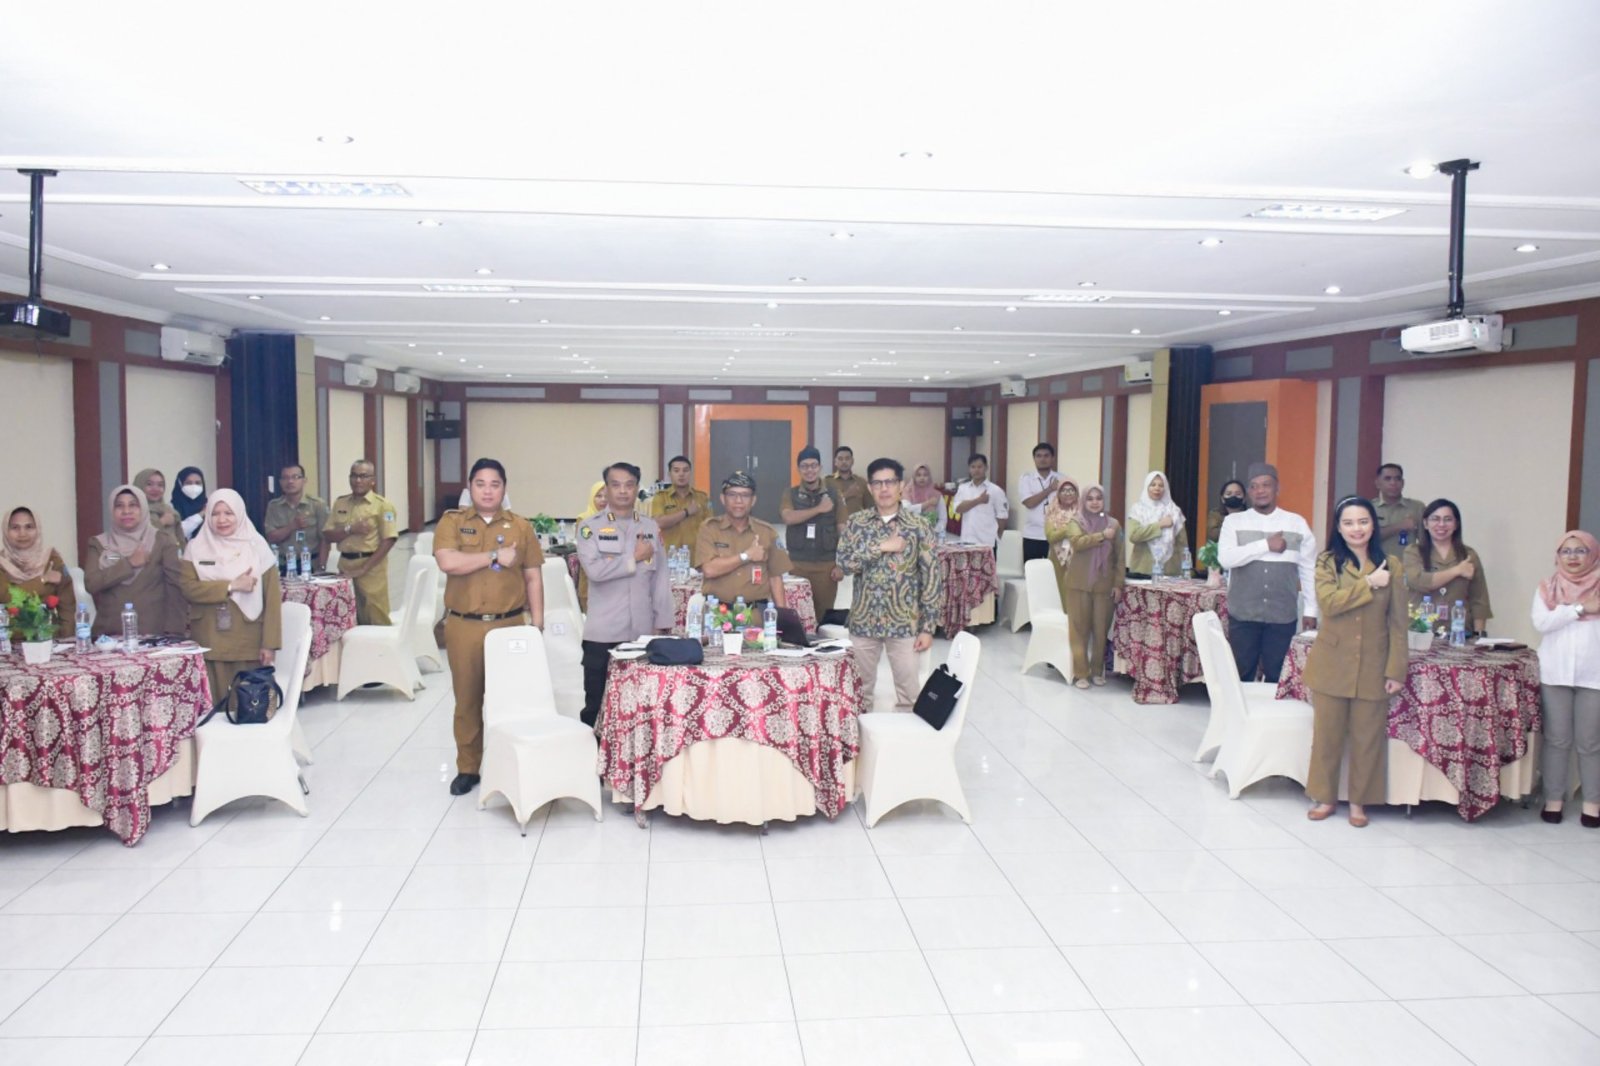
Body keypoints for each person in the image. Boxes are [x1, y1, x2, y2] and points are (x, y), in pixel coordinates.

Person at [433, 458, 544, 794]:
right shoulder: (452, 521)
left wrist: (537, 625)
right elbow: (448, 561)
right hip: (463, 625)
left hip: (509, 625)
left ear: (504, 488)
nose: (487, 491)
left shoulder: (520, 526)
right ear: (470, 488)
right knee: (467, 700)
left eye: (495, 484)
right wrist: (494, 557)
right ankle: (468, 768)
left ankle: (511, 764)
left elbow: (533, 576)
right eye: (480, 484)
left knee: (512, 700)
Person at [1303, 497, 1408, 828]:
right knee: (1327, 736)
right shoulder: (1327, 562)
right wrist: (1368, 584)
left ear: (1373, 525)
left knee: (1368, 738)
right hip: (1332, 661)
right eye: (1348, 523)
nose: (1356, 529)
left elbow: (1398, 623)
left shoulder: (1392, 565)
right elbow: (1329, 604)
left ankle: (1359, 802)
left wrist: (1396, 670)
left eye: (1363, 521)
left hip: (1374, 663)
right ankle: (1325, 797)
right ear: (1338, 527)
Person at [835, 458, 943, 712]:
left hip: (904, 623)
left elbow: (931, 578)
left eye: (890, 482)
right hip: (864, 620)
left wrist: (928, 628)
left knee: (910, 696)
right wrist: (881, 547)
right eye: (877, 483)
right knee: (858, 695)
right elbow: (844, 564)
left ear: (901, 486)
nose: (884, 489)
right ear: (870, 488)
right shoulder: (857, 523)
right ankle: (859, 737)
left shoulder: (918, 526)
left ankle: (906, 736)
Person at [576, 462, 673, 727]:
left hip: (642, 632)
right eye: (615, 485)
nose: (622, 491)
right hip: (603, 634)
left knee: (641, 707)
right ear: (606, 489)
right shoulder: (589, 527)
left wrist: (663, 622)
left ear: (636, 489)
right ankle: (595, 752)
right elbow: (595, 571)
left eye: (629, 485)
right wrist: (634, 558)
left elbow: (660, 578)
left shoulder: (650, 527)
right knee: (597, 706)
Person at [175, 490, 282, 700]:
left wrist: (269, 644)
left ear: (240, 513)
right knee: (212, 705)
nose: (222, 520)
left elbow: (272, 601)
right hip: (209, 638)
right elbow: (188, 588)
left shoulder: (258, 547)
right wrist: (231, 586)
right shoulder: (195, 548)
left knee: (248, 705)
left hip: (247, 640)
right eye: (215, 513)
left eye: (228, 513)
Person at [1218, 462, 1318, 682]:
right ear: (1249, 492)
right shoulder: (1234, 522)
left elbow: (1308, 568)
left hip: (1282, 615)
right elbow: (1226, 559)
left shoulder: (1296, 523)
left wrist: (1311, 609)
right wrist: (1265, 545)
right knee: (1241, 675)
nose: (1260, 491)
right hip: (1243, 614)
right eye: (1254, 486)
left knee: (1278, 677)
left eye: (1266, 485)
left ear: (1277, 488)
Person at [1532, 530, 1600, 827]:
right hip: (1555, 672)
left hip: (1594, 675)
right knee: (1557, 741)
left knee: (1590, 743)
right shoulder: (1547, 587)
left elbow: (1553, 619)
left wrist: (1564, 612)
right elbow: (1542, 622)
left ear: (1593, 555)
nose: (1573, 557)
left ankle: (1592, 805)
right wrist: (1581, 609)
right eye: (1566, 551)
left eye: (1580, 551)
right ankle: (1553, 801)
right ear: (1557, 556)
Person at [83, 484, 183, 638]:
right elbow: (91, 583)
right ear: (111, 510)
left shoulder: (162, 541)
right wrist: (128, 563)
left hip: (153, 635)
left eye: (133, 505)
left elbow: (175, 588)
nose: (126, 511)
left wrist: (174, 632)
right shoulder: (99, 543)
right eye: (119, 506)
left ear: (143, 508)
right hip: (107, 635)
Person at [694, 471, 790, 609]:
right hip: (717, 613)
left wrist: (782, 615)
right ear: (723, 498)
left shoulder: (767, 532)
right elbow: (709, 569)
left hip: (756, 613)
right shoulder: (709, 529)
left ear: (753, 500)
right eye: (732, 494)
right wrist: (747, 556)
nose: (738, 501)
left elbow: (775, 578)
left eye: (745, 495)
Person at [1061, 484, 1125, 689]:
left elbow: (1120, 557)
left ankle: (1097, 671)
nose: (1095, 502)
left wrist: (1118, 584)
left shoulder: (1114, 524)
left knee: (1100, 630)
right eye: (1090, 498)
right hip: (1078, 584)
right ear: (1083, 501)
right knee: (1078, 630)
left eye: (1099, 498)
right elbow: (1077, 543)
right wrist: (1101, 536)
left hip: (1104, 585)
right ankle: (1081, 673)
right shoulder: (1076, 521)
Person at [324, 459, 400, 625]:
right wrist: (350, 529)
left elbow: (389, 540)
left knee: (375, 615)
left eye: (363, 476)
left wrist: (364, 569)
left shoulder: (383, 506)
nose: (358, 480)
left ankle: (381, 642)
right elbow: (328, 535)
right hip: (345, 566)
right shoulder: (340, 503)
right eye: (354, 476)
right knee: (346, 614)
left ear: (373, 480)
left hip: (371, 567)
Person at [1403, 499, 1492, 633]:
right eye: (1435, 519)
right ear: (1425, 523)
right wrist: (1457, 570)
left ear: (1456, 524)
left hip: (1459, 632)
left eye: (1448, 519)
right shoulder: (1413, 552)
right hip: (1421, 631)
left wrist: (1479, 635)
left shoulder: (1468, 555)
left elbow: (1479, 600)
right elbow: (1419, 581)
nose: (1441, 524)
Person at [780, 446, 845, 625]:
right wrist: (819, 509)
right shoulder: (790, 494)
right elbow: (788, 517)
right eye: (804, 466)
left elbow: (843, 529)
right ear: (798, 469)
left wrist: (842, 564)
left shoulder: (834, 494)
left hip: (826, 567)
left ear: (820, 467)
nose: (809, 470)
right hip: (797, 565)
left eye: (813, 465)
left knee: (823, 618)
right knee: (797, 617)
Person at [0, 507, 76, 638]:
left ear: (38, 529)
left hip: (48, 638)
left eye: (29, 527)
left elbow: (67, 604)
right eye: (15, 528)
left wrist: (67, 637)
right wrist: (42, 580)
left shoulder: (51, 559)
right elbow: (7, 597)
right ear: (6, 531)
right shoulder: (2, 563)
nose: (22, 533)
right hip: (9, 640)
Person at [263, 462, 331, 571]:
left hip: (311, 565)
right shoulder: (274, 506)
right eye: (285, 478)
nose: (290, 481)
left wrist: (322, 567)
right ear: (280, 482)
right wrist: (291, 526)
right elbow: (271, 537)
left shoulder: (317, 505)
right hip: (283, 565)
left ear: (304, 480)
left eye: (295, 477)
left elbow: (325, 539)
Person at [1127, 470, 1187, 578]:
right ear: (1147, 487)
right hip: (1143, 570)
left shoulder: (1174, 511)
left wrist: (1185, 570)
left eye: (1161, 485)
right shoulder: (1138, 509)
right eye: (1153, 485)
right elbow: (1134, 536)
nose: (1157, 488)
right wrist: (1159, 525)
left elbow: (1182, 544)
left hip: (1170, 571)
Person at [649, 455, 711, 553]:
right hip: (670, 556)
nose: (681, 474)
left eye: (685, 470)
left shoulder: (702, 498)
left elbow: (710, 526)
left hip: (696, 555)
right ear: (669, 474)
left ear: (691, 473)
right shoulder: (661, 497)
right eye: (676, 471)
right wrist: (686, 512)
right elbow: (659, 522)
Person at [952, 453, 1009, 550]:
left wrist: (996, 537)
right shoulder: (963, 488)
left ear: (986, 468)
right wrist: (978, 500)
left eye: (979, 467)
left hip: (987, 543)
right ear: (969, 469)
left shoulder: (996, 490)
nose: (976, 470)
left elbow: (1002, 517)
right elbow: (957, 509)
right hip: (966, 541)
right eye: (973, 467)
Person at [1017, 442, 1061, 564]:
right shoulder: (1026, 478)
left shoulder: (1062, 479)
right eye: (1039, 456)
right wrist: (1050, 489)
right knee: (1032, 571)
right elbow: (1029, 503)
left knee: (1055, 572)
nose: (1042, 459)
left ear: (1053, 458)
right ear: (1034, 458)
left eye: (1046, 456)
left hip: (1056, 535)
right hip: (1032, 535)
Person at [1373, 463, 1425, 560]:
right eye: (1387, 479)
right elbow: (1368, 538)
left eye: (1397, 478)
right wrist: (1400, 526)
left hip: (1407, 565)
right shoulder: (1369, 508)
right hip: (1378, 565)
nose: (1393, 483)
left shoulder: (1417, 507)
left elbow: (1426, 541)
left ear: (1403, 483)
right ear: (1378, 483)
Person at [1043, 477, 1081, 602]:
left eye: (1071, 490)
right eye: (1064, 490)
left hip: (1079, 557)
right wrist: (1068, 529)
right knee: (1059, 592)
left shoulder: (1083, 512)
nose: (1067, 493)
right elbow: (1050, 537)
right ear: (1058, 494)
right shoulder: (1052, 512)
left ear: (1077, 493)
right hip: (1057, 559)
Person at [574, 480, 607, 613]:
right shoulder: (584, 520)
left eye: (606, 496)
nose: (603, 500)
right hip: (590, 584)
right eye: (598, 496)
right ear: (592, 498)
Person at [134, 467, 183, 542]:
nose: (155, 489)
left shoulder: (170, 511)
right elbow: (136, 537)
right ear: (139, 485)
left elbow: (181, 540)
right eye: (149, 484)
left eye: (160, 485)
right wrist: (162, 522)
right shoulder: (132, 512)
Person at [825, 446, 868, 517]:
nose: (844, 461)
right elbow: (824, 506)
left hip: (857, 522)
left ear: (852, 461)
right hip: (834, 523)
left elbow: (870, 508)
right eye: (840, 459)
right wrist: (847, 494)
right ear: (835, 462)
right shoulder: (827, 482)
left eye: (847, 458)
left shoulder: (861, 482)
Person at [1205, 479, 1247, 547]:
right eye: (1229, 494)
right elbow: (1213, 535)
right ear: (1222, 499)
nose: (1233, 496)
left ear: (1244, 499)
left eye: (1238, 494)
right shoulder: (1215, 515)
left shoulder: (1250, 516)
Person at [171, 466, 209, 540]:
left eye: (198, 483)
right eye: (188, 483)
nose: (193, 486)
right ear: (180, 484)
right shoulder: (171, 508)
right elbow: (179, 532)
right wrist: (201, 514)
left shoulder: (209, 504)